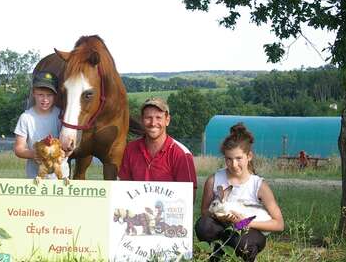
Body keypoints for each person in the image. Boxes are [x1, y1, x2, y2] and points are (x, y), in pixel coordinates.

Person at [195, 123, 284, 262]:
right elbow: (205, 212)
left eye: (238, 158)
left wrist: (245, 223)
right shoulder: (214, 180)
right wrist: (221, 217)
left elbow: (279, 224)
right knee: (203, 225)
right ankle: (218, 253)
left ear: (249, 156)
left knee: (243, 243)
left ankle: (243, 257)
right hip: (223, 226)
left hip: (249, 230)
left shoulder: (259, 185)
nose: (233, 164)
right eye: (229, 159)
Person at [118, 97, 197, 197]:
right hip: (136, 211)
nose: (153, 123)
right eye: (148, 118)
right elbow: (124, 188)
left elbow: (189, 197)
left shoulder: (181, 154)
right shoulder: (130, 149)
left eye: (158, 118)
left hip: (167, 212)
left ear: (167, 120)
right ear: (141, 120)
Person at [13, 71, 69, 179]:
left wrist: (63, 153)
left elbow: (69, 147)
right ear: (33, 93)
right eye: (40, 95)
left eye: (49, 95)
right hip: (35, 177)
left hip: (61, 177)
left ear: (55, 95)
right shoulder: (25, 117)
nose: (45, 100)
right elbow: (18, 149)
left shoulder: (61, 115)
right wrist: (35, 154)